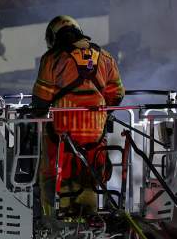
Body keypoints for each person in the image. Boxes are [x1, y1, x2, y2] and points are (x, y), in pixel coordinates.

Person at [31, 16, 124, 217]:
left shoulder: (52, 58)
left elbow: (41, 99)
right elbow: (116, 93)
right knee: (91, 178)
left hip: (62, 137)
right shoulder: (105, 57)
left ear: (53, 37)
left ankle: (51, 219)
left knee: (50, 174)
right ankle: (89, 217)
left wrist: (36, 115)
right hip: (96, 136)